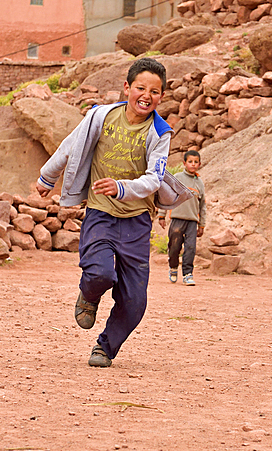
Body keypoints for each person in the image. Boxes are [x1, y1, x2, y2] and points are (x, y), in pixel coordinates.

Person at [36, 58, 192, 368]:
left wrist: (122, 187)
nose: (147, 95)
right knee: (100, 273)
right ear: (127, 88)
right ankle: (89, 295)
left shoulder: (160, 132)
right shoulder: (100, 117)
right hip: (100, 214)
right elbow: (71, 146)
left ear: (161, 96)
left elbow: (153, 178)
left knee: (135, 301)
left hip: (136, 222)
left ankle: (105, 347)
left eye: (155, 91)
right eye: (140, 88)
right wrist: (47, 177)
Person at [158, 149, 206, 286]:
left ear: (199, 164)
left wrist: (202, 225)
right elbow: (166, 196)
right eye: (190, 161)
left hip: (192, 221)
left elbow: (203, 206)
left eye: (196, 162)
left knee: (190, 248)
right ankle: (173, 267)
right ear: (184, 163)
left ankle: (188, 274)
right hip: (177, 219)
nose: (193, 164)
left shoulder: (199, 183)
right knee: (174, 246)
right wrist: (162, 215)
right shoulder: (178, 178)